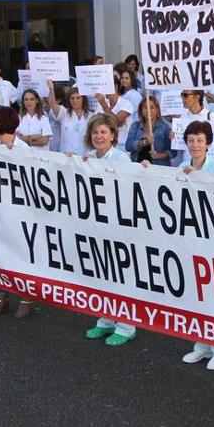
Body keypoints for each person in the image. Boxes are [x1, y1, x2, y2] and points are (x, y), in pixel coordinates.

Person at [166, 120, 214, 370]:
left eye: (200, 140)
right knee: (197, 293)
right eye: (191, 140)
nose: (195, 145)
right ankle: (203, 343)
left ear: (208, 143)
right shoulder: (183, 165)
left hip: (213, 239)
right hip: (190, 238)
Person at [80, 113, 137, 346]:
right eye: (95, 132)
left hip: (118, 226)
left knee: (121, 274)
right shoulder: (87, 158)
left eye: (103, 132)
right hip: (96, 225)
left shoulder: (123, 160)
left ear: (113, 135)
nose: (99, 136)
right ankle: (105, 319)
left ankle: (126, 325)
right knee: (100, 272)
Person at [0, 106, 38, 317]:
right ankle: (1, 295)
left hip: (20, 211)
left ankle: (26, 297)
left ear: (0, 124)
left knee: (21, 254)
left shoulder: (24, 149)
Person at [47, 80, 93, 155]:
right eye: (72, 98)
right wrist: (51, 89)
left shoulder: (91, 116)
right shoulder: (64, 113)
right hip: (66, 157)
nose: (75, 101)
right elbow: (53, 104)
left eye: (78, 98)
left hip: (84, 158)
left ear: (83, 99)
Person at [125, 96, 172, 164]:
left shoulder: (165, 127)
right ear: (141, 110)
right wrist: (144, 142)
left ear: (157, 110)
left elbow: (173, 151)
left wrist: (159, 156)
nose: (148, 110)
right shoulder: (135, 125)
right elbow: (128, 146)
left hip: (158, 168)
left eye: (152, 107)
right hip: (138, 166)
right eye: (145, 108)